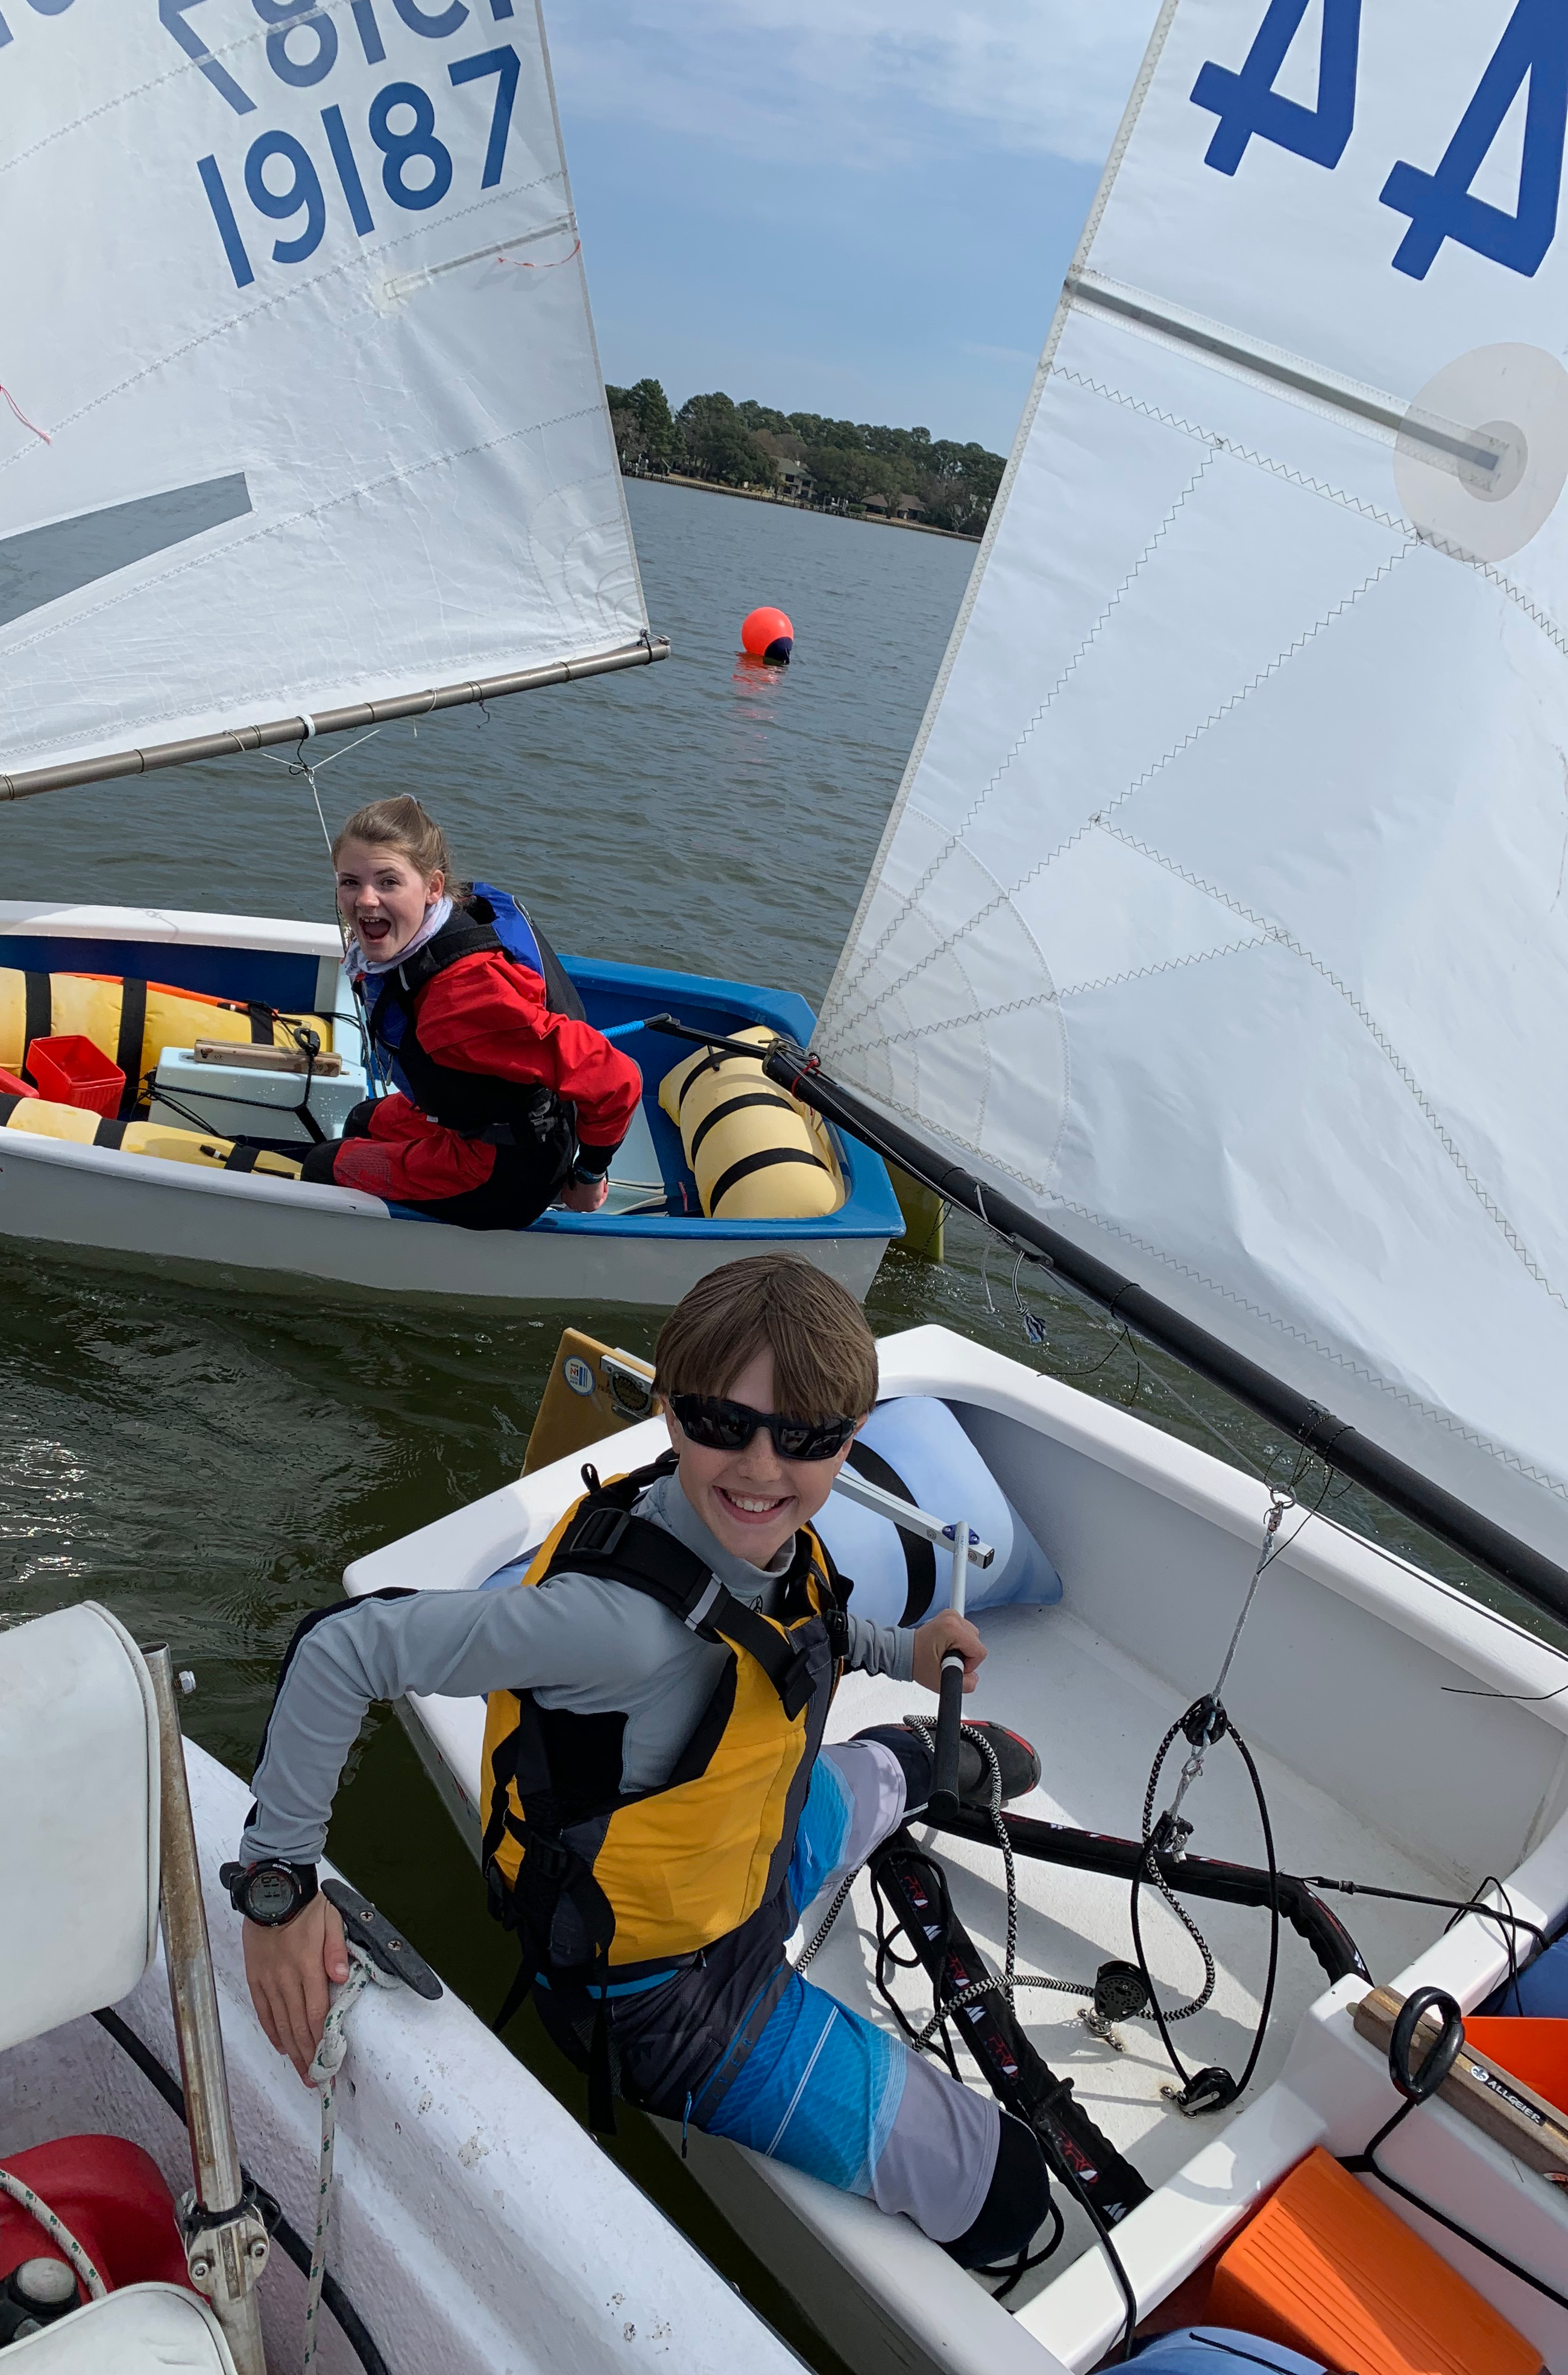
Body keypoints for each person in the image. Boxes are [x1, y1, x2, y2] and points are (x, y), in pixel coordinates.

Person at [227, 1255, 1053, 2269]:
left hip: (748, 1852)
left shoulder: (775, 1534)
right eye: (719, 1422)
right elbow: (339, 1650)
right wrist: (276, 1891)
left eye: (800, 1436)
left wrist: (904, 1652)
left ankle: (910, 1760)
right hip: (662, 1993)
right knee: (1007, 2199)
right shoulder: (603, 1626)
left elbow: (811, 1632)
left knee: (890, 1765)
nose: (757, 1466)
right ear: (669, 1411)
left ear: (848, 1439)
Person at [299, 796, 642, 1229]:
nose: (366, 901)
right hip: (481, 1118)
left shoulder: (462, 1000)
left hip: (507, 1170)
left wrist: (589, 1175)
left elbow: (617, 1079)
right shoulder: (446, 921)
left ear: (433, 887)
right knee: (364, 1120)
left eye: (388, 882)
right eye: (351, 882)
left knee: (322, 1167)